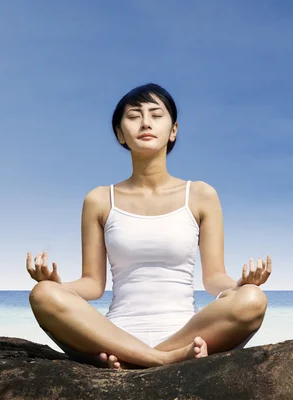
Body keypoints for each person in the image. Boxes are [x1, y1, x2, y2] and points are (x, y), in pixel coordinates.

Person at [25, 83, 272, 369]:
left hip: (187, 334)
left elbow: (213, 279)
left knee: (253, 300)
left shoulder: (202, 195)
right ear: (120, 133)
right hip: (116, 332)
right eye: (133, 116)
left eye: (156, 115)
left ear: (173, 130)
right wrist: (58, 285)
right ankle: (160, 360)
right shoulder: (100, 199)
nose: (145, 123)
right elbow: (93, 284)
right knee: (42, 294)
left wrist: (241, 285)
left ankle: (137, 360)